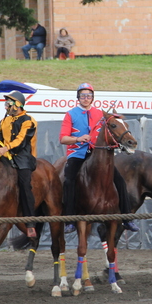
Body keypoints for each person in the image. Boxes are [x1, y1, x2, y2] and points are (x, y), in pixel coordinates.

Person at [60, 83, 138, 233]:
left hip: (96, 154)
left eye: (88, 95)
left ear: (92, 98)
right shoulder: (70, 114)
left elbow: (109, 133)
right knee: (69, 180)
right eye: (82, 95)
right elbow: (63, 138)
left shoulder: (100, 114)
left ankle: (127, 219)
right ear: (78, 98)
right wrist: (78, 139)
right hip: (77, 154)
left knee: (120, 181)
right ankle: (69, 220)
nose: (86, 98)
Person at [0, 91, 39, 239]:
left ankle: (30, 222)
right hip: (5, 155)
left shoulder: (28, 121)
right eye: (5, 104)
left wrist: (6, 148)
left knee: (25, 184)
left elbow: (21, 141)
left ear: (17, 105)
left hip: (23, 157)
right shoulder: (3, 121)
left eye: (9, 104)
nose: (6, 106)